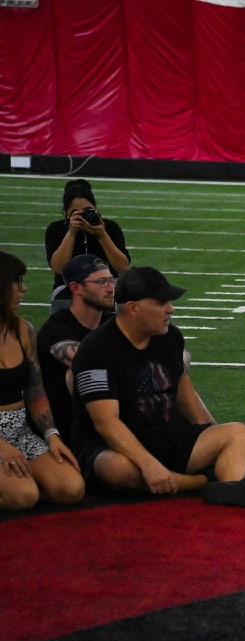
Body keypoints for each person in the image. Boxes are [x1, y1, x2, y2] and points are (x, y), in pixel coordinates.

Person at [71, 267, 245, 507]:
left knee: (240, 433)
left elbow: (186, 395)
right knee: (117, 469)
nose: (170, 309)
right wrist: (148, 464)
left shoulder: (170, 337)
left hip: (170, 439)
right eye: (161, 302)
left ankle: (226, 489)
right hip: (120, 448)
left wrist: (212, 434)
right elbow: (106, 422)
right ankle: (203, 482)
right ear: (133, 308)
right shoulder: (97, 350)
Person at [0, 252, 83, 510]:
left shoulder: (23, 329)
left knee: (71, 488)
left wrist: (52, 435)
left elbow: (35, 390)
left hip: (19, 430)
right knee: (23, 496)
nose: (23, 289)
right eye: (17, 282)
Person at [37, 254, 115, 442]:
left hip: (106, 422)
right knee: (82, 372)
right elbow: (87, 362)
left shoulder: (112, 323)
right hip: (66, 431)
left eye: (111, 280)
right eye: (101, 282)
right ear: (76, 288)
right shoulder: (56, 329)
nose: (111, 288)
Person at [44, 179, 131, 311]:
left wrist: (102, 235)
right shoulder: (56, 229)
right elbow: (59, 268)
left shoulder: (110, 228)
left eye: (88, 211)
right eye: (76, 213)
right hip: (70, 286)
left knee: (121, 293)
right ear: (66, 213)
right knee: (61, 296)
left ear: (96, 209)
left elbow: (122, 267)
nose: (83, 216)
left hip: (106, 285)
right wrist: (71, 233)